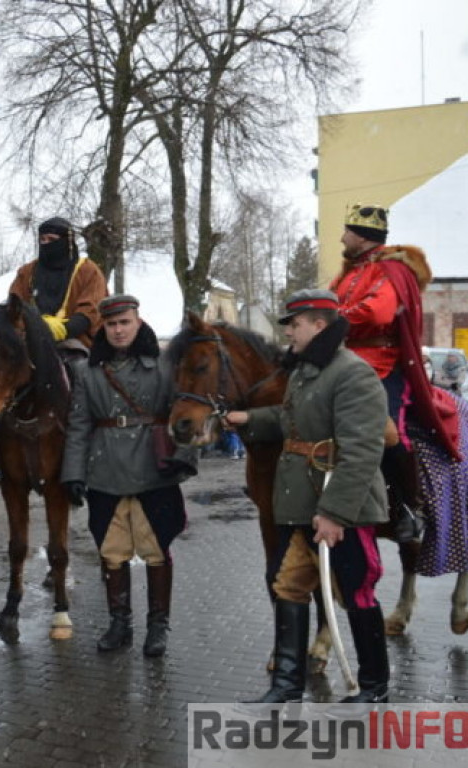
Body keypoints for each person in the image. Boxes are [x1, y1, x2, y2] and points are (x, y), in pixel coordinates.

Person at [226, 289, 390, 704]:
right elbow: (289, 419)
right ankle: (286, 684)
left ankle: (373, 686)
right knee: (288, 586)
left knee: (356, 592)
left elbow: (363, 450)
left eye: (294, 325)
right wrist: (249, 418)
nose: (289, 335)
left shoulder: (354, 373)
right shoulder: (303, 372)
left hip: (342, 507)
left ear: (319, 325)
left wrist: (334, 513)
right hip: (299, 502)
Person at [60, 295, 197, 656]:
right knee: (112, 552)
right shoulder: (87, 371)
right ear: (103, 328)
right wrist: (72, 473)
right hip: (105, 470)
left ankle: (158, 626)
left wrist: (184, 457)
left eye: (125, 322)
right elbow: (78, 425)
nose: (118, 330)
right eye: (111, 324)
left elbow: (186, 413)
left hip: (155, 468)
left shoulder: (166, 366)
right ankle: (119, 623)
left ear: (139, 322)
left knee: (156, 551)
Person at [330, 203, 459, 543]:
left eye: (347, 231)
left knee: (386, 430)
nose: (342, 237)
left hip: (382, 366)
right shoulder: (349, 272)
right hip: (340, 360)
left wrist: (335, 318)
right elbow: (324, 303)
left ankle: (408, 507)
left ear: (360, 236)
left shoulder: (391, 271)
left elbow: (378, 312)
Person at [9, 217, 108, 350]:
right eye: (42, 240)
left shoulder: (88, 270)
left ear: (67, 242)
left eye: (52, 240)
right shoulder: (27, 272)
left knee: (77, 365)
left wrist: (62, 329)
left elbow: (90, 311)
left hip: (75, 340)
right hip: (29, 338)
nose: (46, 244)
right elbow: (14, 305)